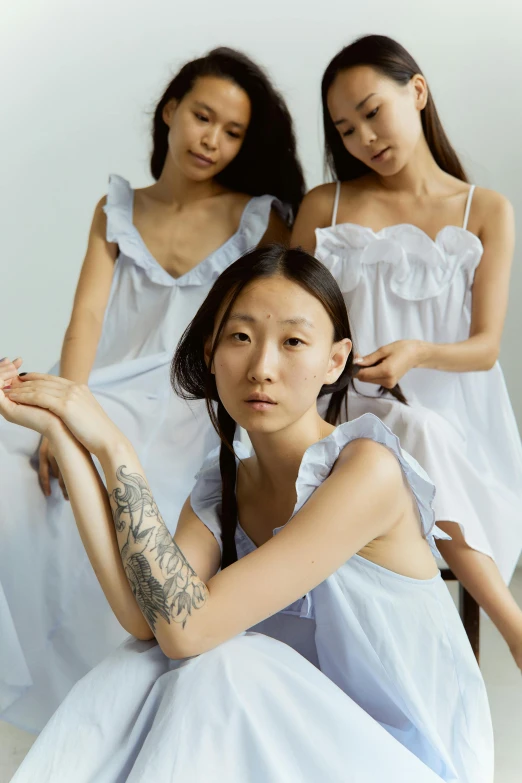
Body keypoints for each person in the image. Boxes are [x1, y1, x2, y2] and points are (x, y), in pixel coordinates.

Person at [1, 246, 492, 783]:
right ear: (211, 351)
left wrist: (116, 447)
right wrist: (66, 438)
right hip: (291, 744)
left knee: (224, 662)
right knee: (140, 661)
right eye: (240, 337)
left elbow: (189, 631)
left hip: (401, 757)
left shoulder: (366, 473)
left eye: (293, 342)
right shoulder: (224, 484)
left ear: (334, 360)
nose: (262, 368)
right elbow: (148, 619)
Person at [0, 47, 305, 731]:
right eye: (203, 117)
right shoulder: (116, 209)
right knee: (19, 483)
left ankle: (135, 699)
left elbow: (269, 323)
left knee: (154, 489)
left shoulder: (261, 216)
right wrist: (61, 416)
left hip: (197, 401)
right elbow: (85, 321)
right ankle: (57, 692)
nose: (212, 141)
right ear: (170, 110)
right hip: (108, 392)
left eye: (232, 132)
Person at [291, 33, 522, 668]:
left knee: (418, 427)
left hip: (461, 426)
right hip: (342, 418)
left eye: (372, 111)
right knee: (399, 428)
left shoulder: (486, 210)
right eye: (345, 128)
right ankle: (514, 625)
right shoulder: (325, 206)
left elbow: (484, 348)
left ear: (416, 91)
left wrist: (417, 353)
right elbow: (289, 313)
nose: (363, 136)